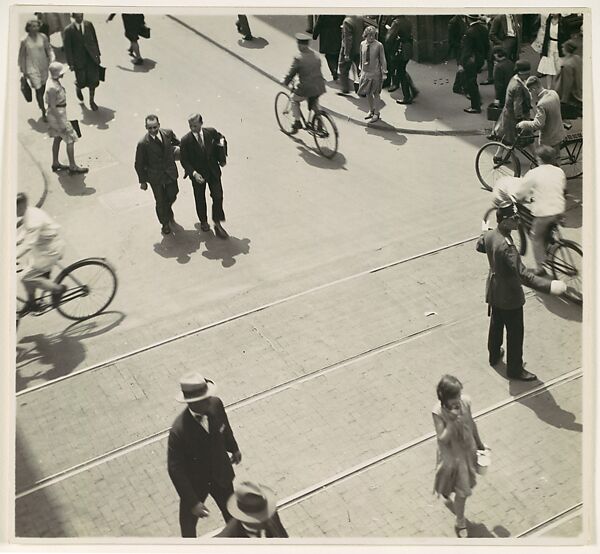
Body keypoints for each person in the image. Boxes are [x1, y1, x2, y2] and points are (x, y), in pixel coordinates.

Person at [476, 201, 567, 381]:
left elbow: (480, 245)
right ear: (503, 221)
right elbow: (524, 276)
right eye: (514, 218)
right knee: (515, 333)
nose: (518, 221)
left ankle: (494, 355)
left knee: (496, 325)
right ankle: (515, 370)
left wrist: (485, 231)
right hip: (510, 297)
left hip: (494, 291)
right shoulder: (508, 247)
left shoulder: (491, 235)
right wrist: (550, 286)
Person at [167, 373, 242, 537]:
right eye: (205, 399)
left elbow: (225, 428)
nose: (210, 400)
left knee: (234, 516)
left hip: (221, 475)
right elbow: (175, 470)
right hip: (196, 484)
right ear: (192, 402)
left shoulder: (215, 404)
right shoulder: (179, 431)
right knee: (187, 526)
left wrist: (234, 448)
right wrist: (193, 502)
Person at [432, 375, 485, 538]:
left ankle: (451, 497)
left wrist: (479, 443)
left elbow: (471, 422)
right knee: (462, 492)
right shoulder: (438, 412)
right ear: (444, 398)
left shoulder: (466, 402)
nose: (457, 400)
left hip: (466, 453)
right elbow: (442, 437)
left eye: (458, 395)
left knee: (460, 489)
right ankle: (460, 522)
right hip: (451, 457)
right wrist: (452, 422)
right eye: (453, 397)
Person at [519, 145, 567, 275]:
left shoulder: (533, 173)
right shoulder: (559, 171)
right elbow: (562, 188)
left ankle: (540, 268)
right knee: (548, 229)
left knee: (536, 237)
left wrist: (521, 198)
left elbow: (520, 192)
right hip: (559, 209)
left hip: (544, 213)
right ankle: (551, 245)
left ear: (539, 159)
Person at [179, 113, 229, 238]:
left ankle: (217, 223)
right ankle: (203, 221)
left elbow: (221, 140)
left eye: (195, 125)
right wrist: (194, 174)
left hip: (213, 171)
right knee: (200, 198)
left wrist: (222, 157)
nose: (192, 128)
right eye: (190, 126)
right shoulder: (186, 140)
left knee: (218, 196)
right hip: (198, 175)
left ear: (201, 123)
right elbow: (184, 160)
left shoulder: (210, 132)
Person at [16, 192, 66, 313]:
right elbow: (25, 231)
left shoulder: (33, 220)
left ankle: (58, 289)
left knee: (26, 277)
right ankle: (32, 302)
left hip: (49, 251)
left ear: (22, 205)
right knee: (26, 272)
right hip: (43, 248)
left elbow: (28, 244)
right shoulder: (29, 212)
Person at [134, 114, 180, 235]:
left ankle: (168, 207)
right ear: (146, 128)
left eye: (155, 127)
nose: (153, 130)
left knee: (173, 193)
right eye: (150, 128)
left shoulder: (168, 133)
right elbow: (138, 164)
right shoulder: (143, 144)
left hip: (170, 172)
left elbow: (178, 143)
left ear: (159, 125)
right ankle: (164, 223)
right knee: (160, 200)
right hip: (155, 176)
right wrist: (142, 181)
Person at [45, 61, 88, 175]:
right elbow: (53, 106)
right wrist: (61, 122)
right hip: (58, 115)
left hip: (56, 114)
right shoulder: (53, 87)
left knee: (58, 138)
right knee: (70, 139)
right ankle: (72, 165)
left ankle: (55, 162)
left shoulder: (51, 82)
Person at [282, 32, 327, 133]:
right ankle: (319, 122)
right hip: (319, 86)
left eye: (299, 44)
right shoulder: (316, 56)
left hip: (306, 87)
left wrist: (285, 81)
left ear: (300, 45)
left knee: (294, 99)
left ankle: (297, 122)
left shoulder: (298, 58)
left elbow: (291, 73)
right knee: (314, 102)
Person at [517, 76, 565, 164]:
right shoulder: (553, 93)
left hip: (548, 139)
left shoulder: (542, 104)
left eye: (530, 91)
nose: (530, 94)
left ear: (534, 89)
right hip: (558, 132)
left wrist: (523, 123)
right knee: (556, 158)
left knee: (546, 163)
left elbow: (538, 124)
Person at [215, 481, 289, 538]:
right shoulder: (229, 537)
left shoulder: (271, 513)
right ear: (244, 518)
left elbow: (283, 536)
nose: (265, 519)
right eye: (258, 517)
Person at [63, 13, 102, 111]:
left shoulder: (89, 25)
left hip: (91, 58)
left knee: (93, 80)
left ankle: (91, 101)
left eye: (81, 16)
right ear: (73, 17)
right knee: (81, 80)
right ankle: (78, 87)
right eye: (77, 17)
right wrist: (71, 63)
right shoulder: (68, 30)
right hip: (78, 60)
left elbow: (95, 39)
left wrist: (97, 54)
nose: (80, 19)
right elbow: (68, 48)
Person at [18, 18, 55, 121]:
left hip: (43, 66)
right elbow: (21, 57)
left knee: (42, 89)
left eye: (37, 26)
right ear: (28, 28)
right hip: (31, 69)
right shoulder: (24, 40)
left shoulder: (43, 37)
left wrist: (52, 58)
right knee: (39, 90)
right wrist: (23, 71)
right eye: (33, 26)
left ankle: (41, 104)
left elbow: (49, 49)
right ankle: (43, 110)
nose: (35, 28)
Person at [490, 59, 531, 145]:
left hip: (508, 115)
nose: (528, 76)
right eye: (527, 74)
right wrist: (520, 119)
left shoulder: (514, 79)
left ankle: (498, 156)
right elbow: (517, 104)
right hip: (514, 117)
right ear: (522, 73)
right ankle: (536, 157)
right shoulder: (518, 87)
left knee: (507, 140)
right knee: (523, 140)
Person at [357, 26, 387, 123]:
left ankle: (377, 113)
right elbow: (361, 57)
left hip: (375, 73)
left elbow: (383, 59)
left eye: (373, 35)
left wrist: (384, 72)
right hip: (365, 73)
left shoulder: (379, 45)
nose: (371, 37)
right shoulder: (362, 44)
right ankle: (371, 110)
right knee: (368, 93)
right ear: (365, 35)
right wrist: (360, 70)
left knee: (376, 93)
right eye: (369, 35)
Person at [460, 15, 489, 114]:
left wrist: (462, 63)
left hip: (471, 61)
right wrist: (485, 60)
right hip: (480, 59)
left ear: (468, 19)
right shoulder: (484, 29)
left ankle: (475, 106)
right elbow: (487, 46)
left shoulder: (469, 32)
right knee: (473, 81)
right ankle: (477, 100)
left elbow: (466, 51)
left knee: (471, 83)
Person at [387, 15, 419, 104]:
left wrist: (389, 49)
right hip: (408, 48)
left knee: (401, 73)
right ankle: (413, 90)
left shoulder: (396, 23)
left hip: (400, 50)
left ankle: (407, 97)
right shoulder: (407, 21)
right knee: (402, 70)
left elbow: (389, 38)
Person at [537, 14, 569, 88]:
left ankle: (557, 89)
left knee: (558, 70)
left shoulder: (564, 22)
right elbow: (546, 35)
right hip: (549, 46)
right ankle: (549, 89)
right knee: (548, 69)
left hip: (559, 47)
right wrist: (544, 49)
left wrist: (565, 49)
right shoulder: (549, 20)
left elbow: (567, 36)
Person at [554, 39, 582, 118]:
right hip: (579, 88)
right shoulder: (577, 58)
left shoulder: (566, 65)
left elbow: (567, 83)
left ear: (566, 50)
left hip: (573, 95)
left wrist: (564, 99)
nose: (562, 49)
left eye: (563, 47)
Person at [312, 15, 344, 81]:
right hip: (337, 35)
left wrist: (315, 35)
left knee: (329, 55)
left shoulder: (324, 13)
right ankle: (335, 69)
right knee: (336, 54)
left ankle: (333, 71)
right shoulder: (339, 12)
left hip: (326, 37)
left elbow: (319, 24)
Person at [337, 15, 363, 95]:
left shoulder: (347, 21)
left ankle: (345, 88)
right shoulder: (359, 18)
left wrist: (346, 53)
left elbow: (348, 39)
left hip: (350, 49)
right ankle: (363, 89)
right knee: (360, 69)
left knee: (343, 68)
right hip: (359, 47)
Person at [448, 15, 468, 94]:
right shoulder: (453, 22)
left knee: (463, 68)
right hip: (459, 49)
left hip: (467, 47)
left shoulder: (467, 18)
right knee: (463, 68)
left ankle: (457, 86)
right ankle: (465, 88)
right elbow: (451, 40)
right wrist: (460, 46)